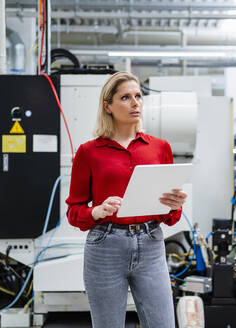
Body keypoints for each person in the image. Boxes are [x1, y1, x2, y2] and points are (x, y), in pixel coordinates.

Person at [66, 71, 188, 328]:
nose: (135, 103)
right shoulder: (88, 152)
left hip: (151, 244)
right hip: (105, 246)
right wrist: (96, 211)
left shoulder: (159, 148)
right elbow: (74, 212)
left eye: (138, 96)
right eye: (125, 97)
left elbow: (170, 216)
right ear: (107, 106)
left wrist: (173, 205)